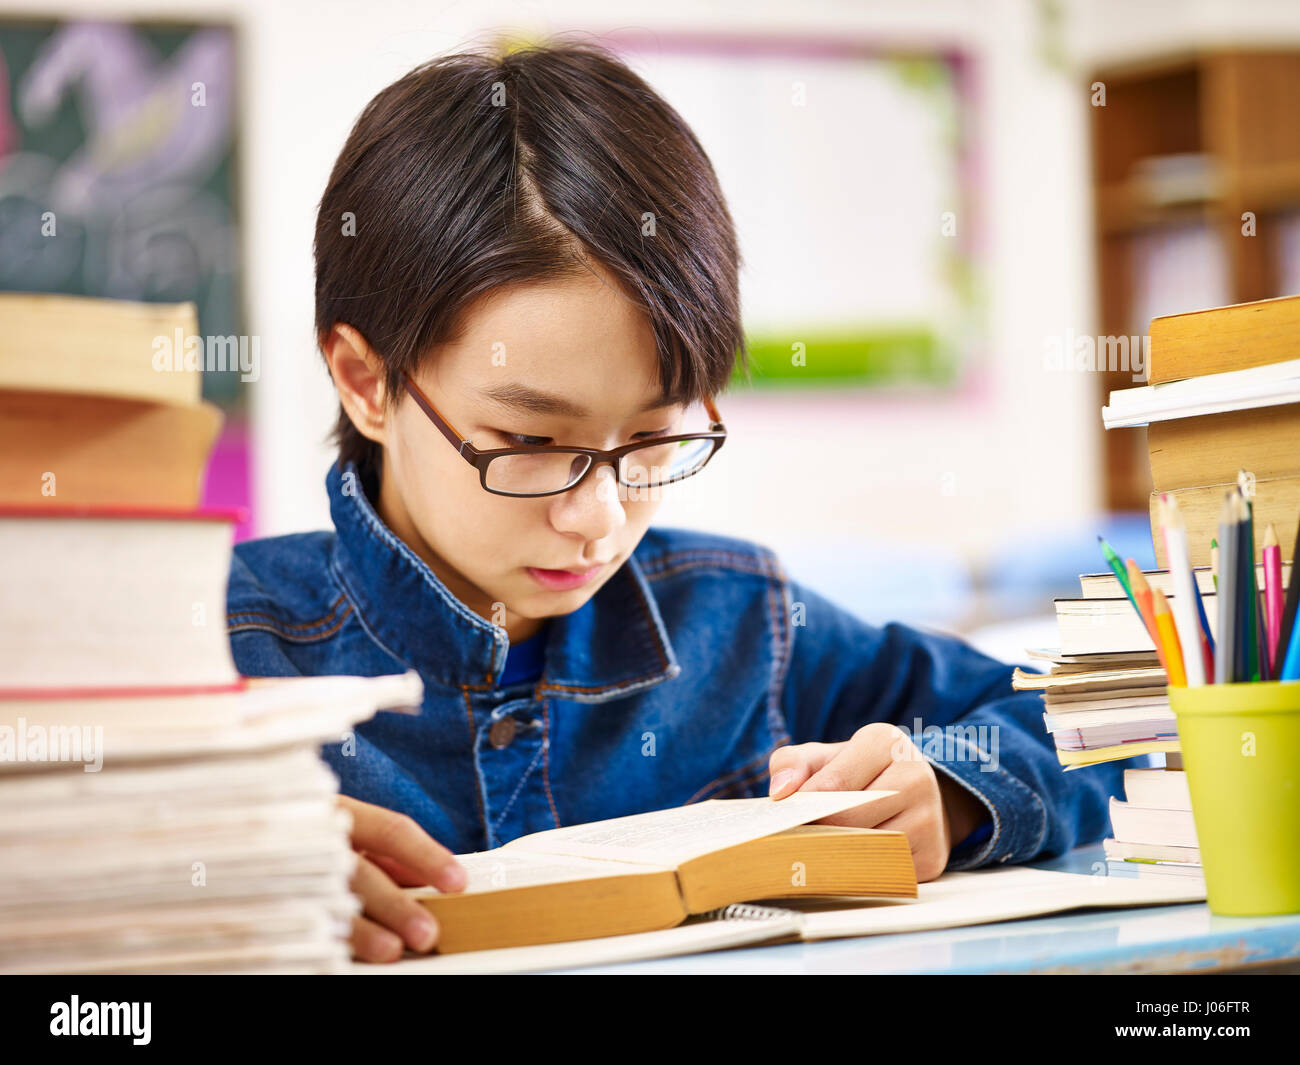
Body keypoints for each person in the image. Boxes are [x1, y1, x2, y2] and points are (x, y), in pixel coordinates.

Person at [227, 40, 1125, 963]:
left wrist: (955, 786)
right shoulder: (209, 654)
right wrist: (199, 867)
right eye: (531, 444)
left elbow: (1096, 718)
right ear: (365, 381)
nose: (600, 519)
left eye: (653, 440)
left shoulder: (741, 621)